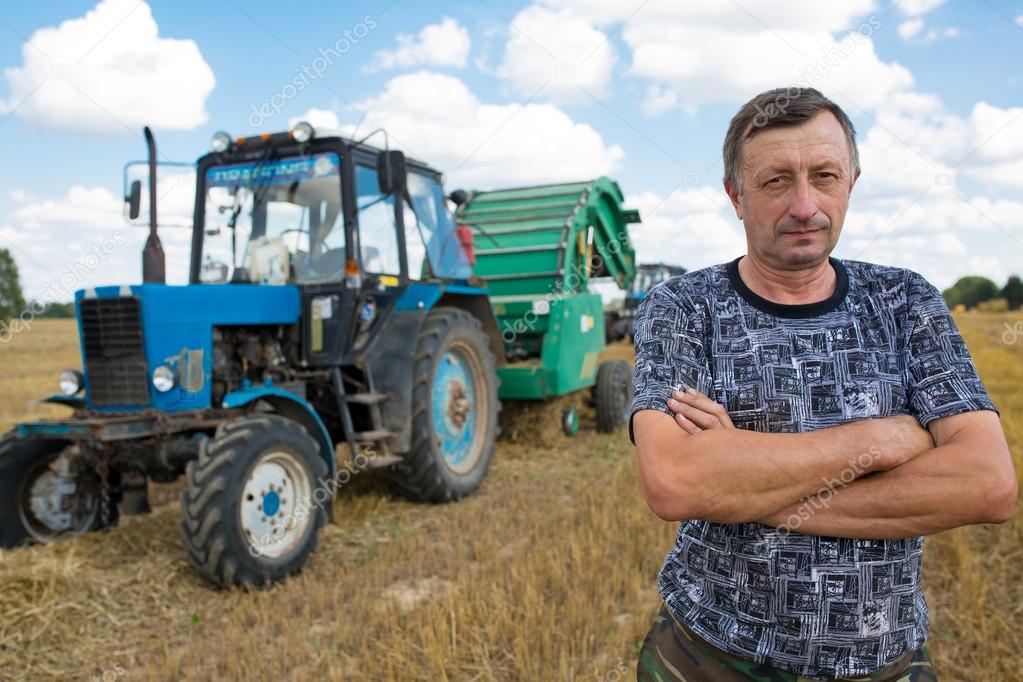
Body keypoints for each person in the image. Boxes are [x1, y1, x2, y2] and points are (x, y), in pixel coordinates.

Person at [630, 87, 1017, 681]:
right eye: (776, 181)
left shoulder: (905, 300)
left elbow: (986, 485)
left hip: (886, 664)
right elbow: (678, 481)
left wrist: (743, 481)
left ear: (853, 182)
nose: (805, 205)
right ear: (736, 196)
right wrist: (884, 441)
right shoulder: (682, 307)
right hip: (709, 657)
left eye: (825, 175)